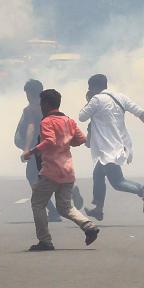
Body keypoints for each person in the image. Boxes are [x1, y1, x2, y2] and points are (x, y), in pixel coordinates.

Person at [22, 89, 99, 251]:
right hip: (67, 170)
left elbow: (49, 141)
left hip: (51, 170)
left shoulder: (47, 122)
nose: (41, 106)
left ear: (46, 104)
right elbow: (81, 139)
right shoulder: (68, 121)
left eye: (42, 103)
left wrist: (32, 151)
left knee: (37, 203)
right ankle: (89, 226)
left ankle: (45, 241)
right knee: (65, 207)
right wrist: (65, 142)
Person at [78, 74, 144, 220]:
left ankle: (143, 190)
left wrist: (89, 100)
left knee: (118, 182)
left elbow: (82, 116)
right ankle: (98, 208)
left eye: (90, 88)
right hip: (119, 144)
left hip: (107, 148)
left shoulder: (96, 99)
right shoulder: (120, 97)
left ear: (94, 87)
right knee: (98, 174)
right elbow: (139, 111)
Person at [15, 79, 63, 222]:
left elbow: (30, 128)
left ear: (29, 93)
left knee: (33, 178)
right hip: (53, 147)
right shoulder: (50, 105)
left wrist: (26, 149)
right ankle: (69, 193)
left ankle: (53, 211)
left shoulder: (30, 109)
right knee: (52, 176)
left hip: (39, 149)